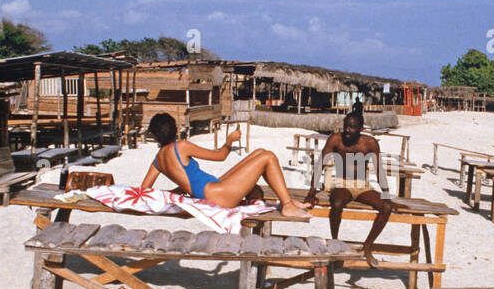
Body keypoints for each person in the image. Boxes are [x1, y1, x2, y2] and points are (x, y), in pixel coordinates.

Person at [139, 113, 309, 218]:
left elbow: (144, 191)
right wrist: (229, 141)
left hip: (213, 190)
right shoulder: (181, 146)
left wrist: (174, 193)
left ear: (155, 135)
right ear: (175, 130)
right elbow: (220, 156)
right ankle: (287, 205)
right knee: (268, 157)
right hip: (218, 196)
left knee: (259, 152)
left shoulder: (158, 160)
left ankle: (285, 198)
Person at [303, 103, 394, 265]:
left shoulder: (370, 143)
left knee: (387, 207)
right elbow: (320, 165)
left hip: (362, 185)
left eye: (352, 127)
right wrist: (312, 191)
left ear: (360, 129)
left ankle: (367, 246)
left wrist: (386, 194)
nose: (347, 130)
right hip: (342, 183)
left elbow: (379, 170)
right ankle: (336, 243)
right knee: (337, 203)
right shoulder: (335, 139)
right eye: (345, 126)